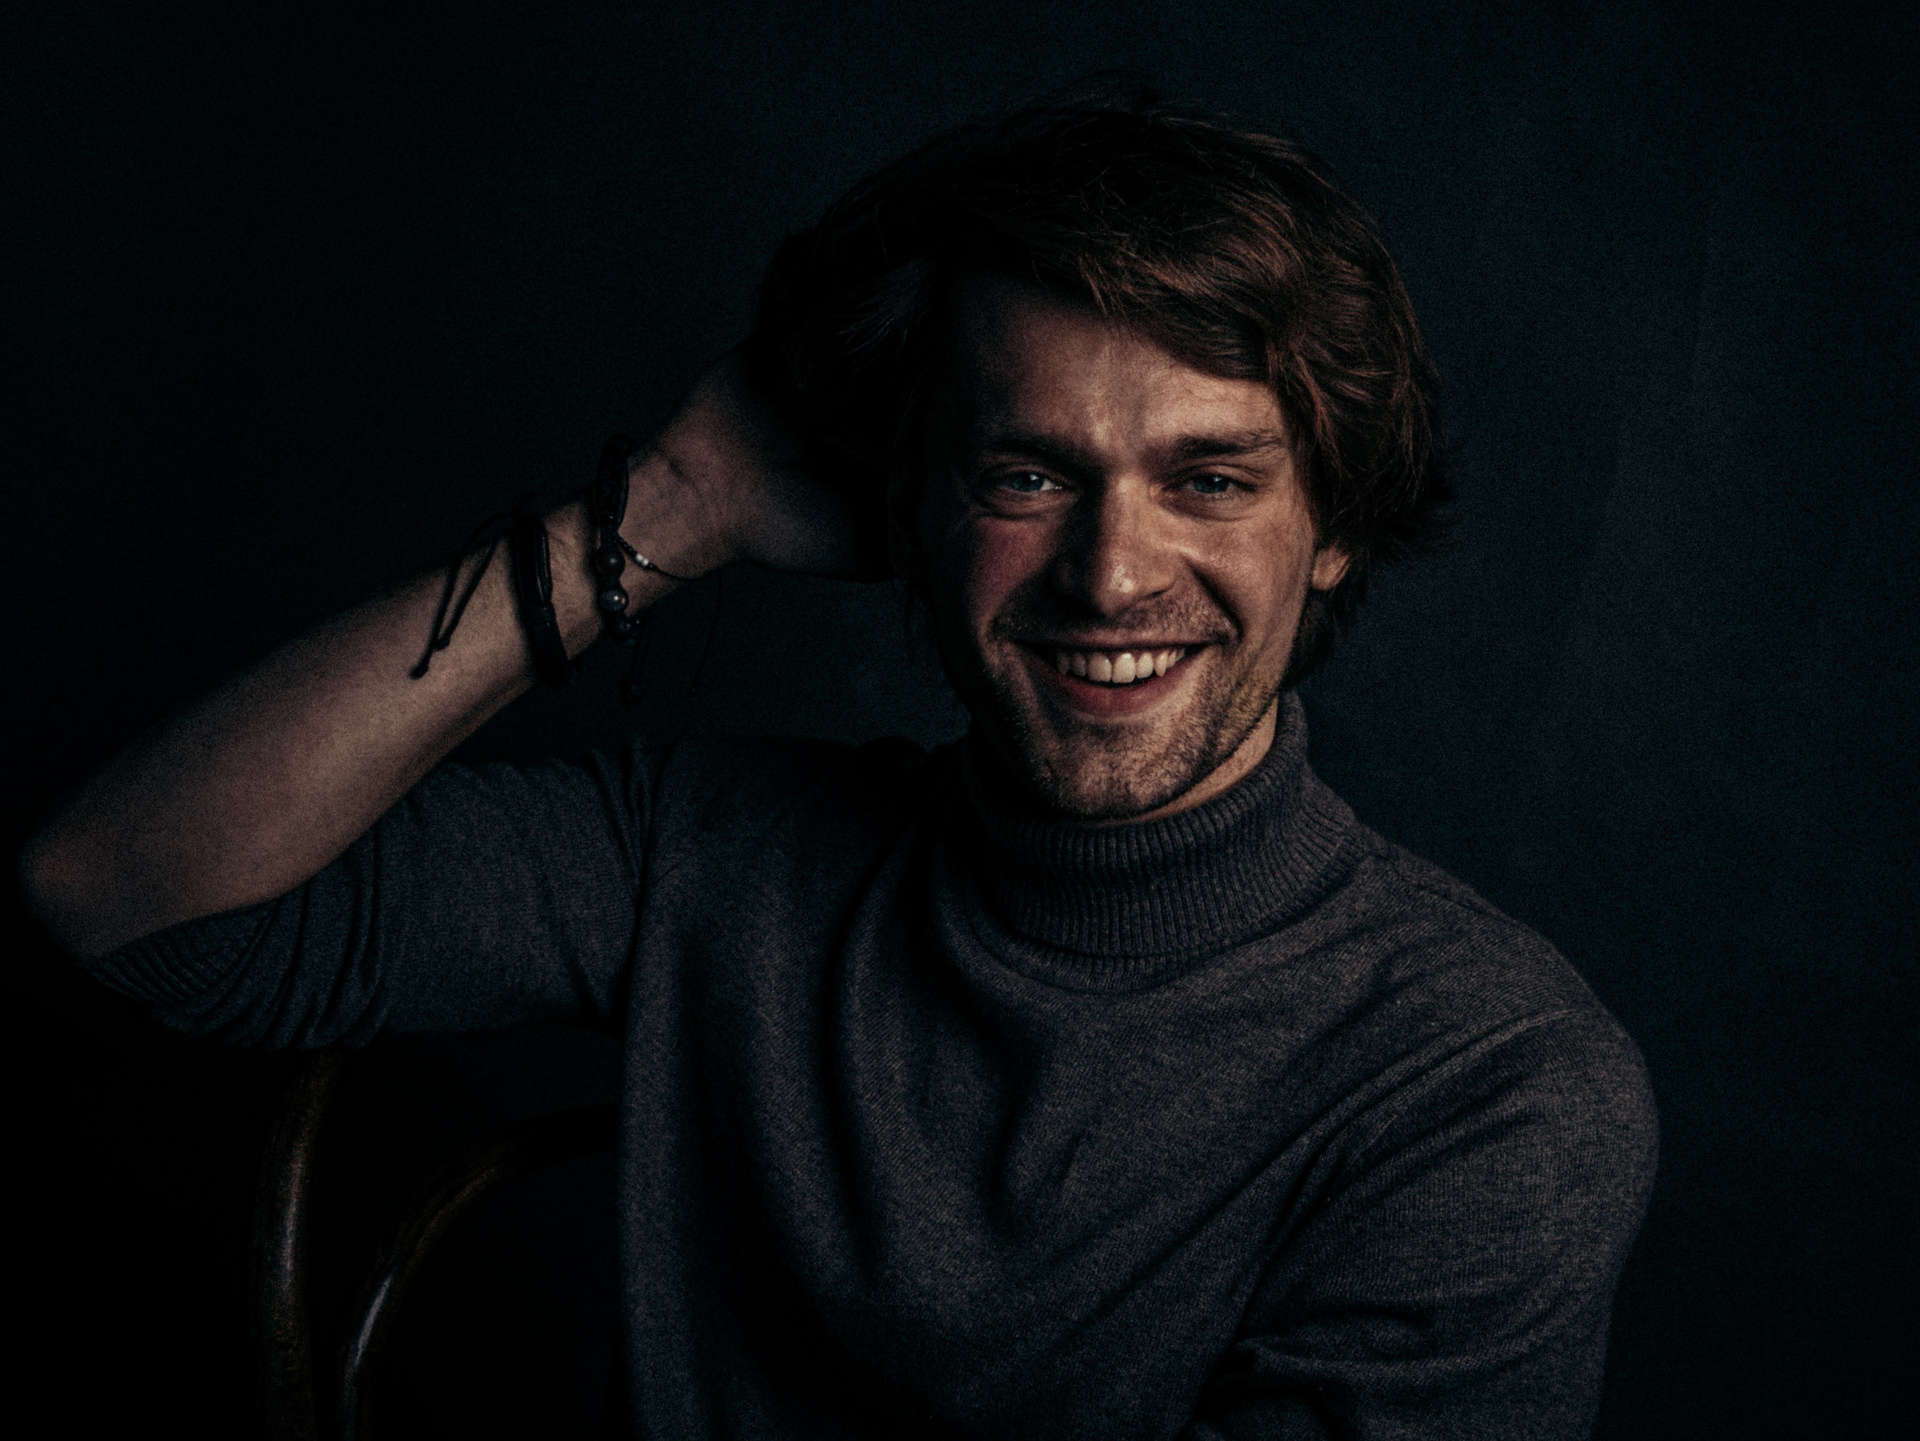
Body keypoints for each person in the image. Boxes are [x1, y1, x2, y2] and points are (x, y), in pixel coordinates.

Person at [21, 95, 1657, 1439]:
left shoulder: (1487, 1084)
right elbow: (125, 894)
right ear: (913, 514)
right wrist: (672, 507)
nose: (1110, 574)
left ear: (1336, 530)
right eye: (1028, 474)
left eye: (1211, 479)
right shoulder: (713, 852)